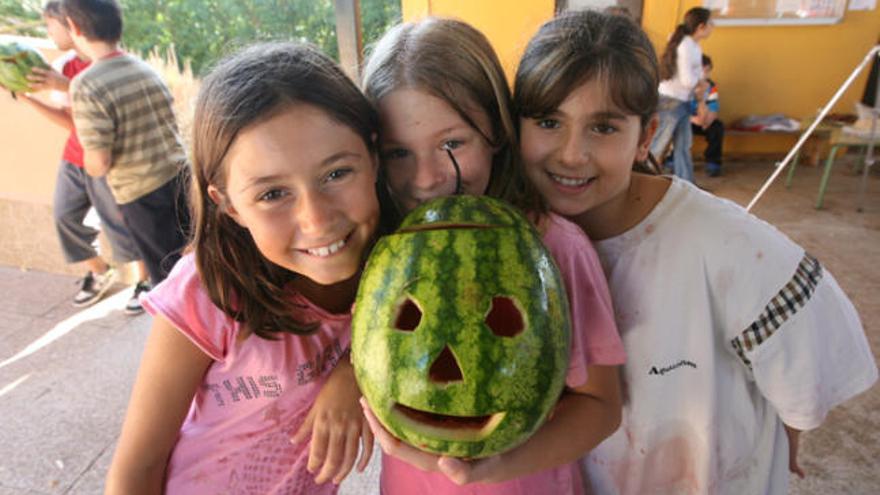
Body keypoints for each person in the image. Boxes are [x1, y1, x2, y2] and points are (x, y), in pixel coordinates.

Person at [513, 10, 878, 494]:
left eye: (603, 128)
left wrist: (781, 438)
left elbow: (810, 372)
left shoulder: (727, 244)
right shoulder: (511, 241)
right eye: (547, 121)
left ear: (645, 135)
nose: (571, 154)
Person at [358, 17, 626, 495]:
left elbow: (600, 407)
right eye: (400, 153)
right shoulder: (385, 247)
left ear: (496, 133)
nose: (427, 179)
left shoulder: (553, 246)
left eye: (451, 144)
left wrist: (491, 467)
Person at [104, 41, 386, 494]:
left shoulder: (394, 267)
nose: (316, 220)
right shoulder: (208, 292)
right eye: (273, 194)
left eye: (336, 174)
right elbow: (137, 468)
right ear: (229, 205)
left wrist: (353, 370)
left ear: (373, 157)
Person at [19, 0, 148, 313]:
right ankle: (98, 271)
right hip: (75, 157)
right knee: (65, 216)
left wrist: (66, 86)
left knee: (121, 225)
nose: (48, 32)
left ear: (73, 26)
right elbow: (70, 120)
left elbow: (105, 107)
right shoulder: (63, 66)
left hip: (109, 158)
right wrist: (27, 97)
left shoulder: (112, 63)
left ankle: (145, 281)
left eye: (51, 24)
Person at [62, 0, 189, 293]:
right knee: (193, 262)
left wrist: (90, 168)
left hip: (141, 192)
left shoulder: (86, 84)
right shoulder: (143, 68)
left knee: (167, 280)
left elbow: (99, 161)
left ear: (75, 27)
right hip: (179, 176)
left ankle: (183, 336)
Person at [649, 6, 714, 183]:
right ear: (701, 26)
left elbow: (696, 75)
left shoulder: (694, 46)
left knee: (683, 146)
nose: (712, 27)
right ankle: (641, 179)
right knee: (657, 145)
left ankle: (686, 184)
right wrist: (700, 84)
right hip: (670, 102)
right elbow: (687, 80)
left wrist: (701, 83)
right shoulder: (686, 46)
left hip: (682, 101)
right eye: (710, 23)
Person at [690, 54, 724, 177]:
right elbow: (678, 111)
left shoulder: (711, 87)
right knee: (678, 128)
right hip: (689, 120)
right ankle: (671, 159)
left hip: (704, 120)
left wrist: (706, 120)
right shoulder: (684, 86)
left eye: (708, 70)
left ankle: (713, 163)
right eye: (702, 70)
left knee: (717, 127)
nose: (705, 74)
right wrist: (694, 119)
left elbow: (713, 110)